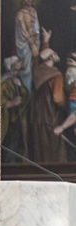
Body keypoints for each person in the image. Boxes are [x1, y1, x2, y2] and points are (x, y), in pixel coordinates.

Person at [31, 29, 67, 163]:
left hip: (38, 116)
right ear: (51, 58)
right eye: (53, 53)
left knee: (41, 145)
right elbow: (58, 99)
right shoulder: (56, 75)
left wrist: (45, 41)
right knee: (53, 147)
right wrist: (69, 107)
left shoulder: (37, 71)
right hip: (51, 116)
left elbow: (40, 59)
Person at [0, 55, 30, 162]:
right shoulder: (4, 83)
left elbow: (26, 97)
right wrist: (12, 103)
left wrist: (20, 87)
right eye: (15, 69)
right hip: (8, 121)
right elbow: (0, 102)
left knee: (19, 144)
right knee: (10, 144)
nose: (16, 72)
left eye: (18, 70)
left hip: (18, 119)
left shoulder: (17, 81)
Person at [15, 0, 40, 93]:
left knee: (34, 67)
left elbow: (37, 29)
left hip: (34, 44)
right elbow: (24, 32)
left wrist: (36, 42)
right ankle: (26, 92)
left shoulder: (34, 12)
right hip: (24, 46)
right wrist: (32, 45)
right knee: (26, 70)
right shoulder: (20, 14)